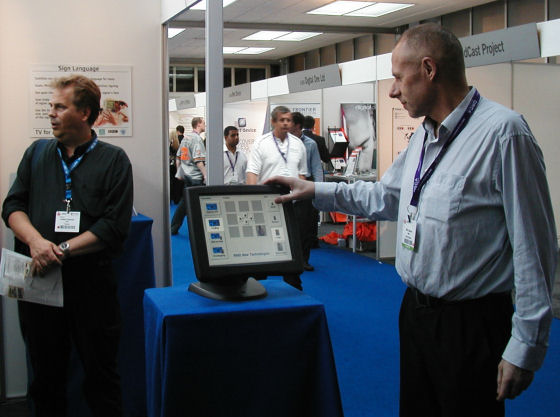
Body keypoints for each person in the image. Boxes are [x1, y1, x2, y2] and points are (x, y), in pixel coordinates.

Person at [266, 23, 557, 417]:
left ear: (429, 70)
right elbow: (386, 196)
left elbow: (534, 248)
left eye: (399, 77)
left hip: (471, 326)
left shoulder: (503, 135)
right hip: (415, 315)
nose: (392, 90)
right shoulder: (423, 137)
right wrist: (313, 190)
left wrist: (527, 344)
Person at [2, 75, 134, 416]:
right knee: (45, 379)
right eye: (51, 107)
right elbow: (12, 206)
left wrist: (60, 250)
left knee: (101, 378)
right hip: (40, 286)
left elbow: (113, 227)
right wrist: (35, 241)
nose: (51, 114)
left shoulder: (114, 160)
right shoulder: (37, 154)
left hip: (91, 288)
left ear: (85, 112)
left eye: (60, 107)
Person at [246, 105, 308, 290]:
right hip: (266, 203)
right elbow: (252, 174)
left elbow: (303, 174)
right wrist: (252, 202)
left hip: (292, 204)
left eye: (289, 120)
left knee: (292, 246)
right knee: (263, 244)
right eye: (282, 120)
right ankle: (257, 286)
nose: (286, 123)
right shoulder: (261, 143)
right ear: (273, 122)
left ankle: (294, 288)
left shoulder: (298, 144)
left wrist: (300, 196)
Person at [290, 112, 323, 270]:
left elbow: (317, 168)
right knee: (288, 225)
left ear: (299, 127)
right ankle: (289, 258)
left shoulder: (310, 144)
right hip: (286, 186)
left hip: (304, 186)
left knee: (305, 226)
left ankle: (303, 260)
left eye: (292, 127)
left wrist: (320, 190)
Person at [170, 117, 207, 235]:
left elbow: (178, 157)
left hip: (187, 175)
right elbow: (198, 160)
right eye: (204, 123)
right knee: (195, 204)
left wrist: (179, 171)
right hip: (196, 176)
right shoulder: (197, 139)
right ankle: (197, 230)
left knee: (185, 202)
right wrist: (205, 175)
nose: (205, 125)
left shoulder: (186, 138)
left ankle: (174, 227)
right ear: (199, 124)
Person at [169, 125, 184, 204]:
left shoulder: (169, 145)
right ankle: (177, 199)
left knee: (171, 182)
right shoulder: (180, 143)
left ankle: (171, 198)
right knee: (177, 183)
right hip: (178, 166)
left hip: (171, 166)